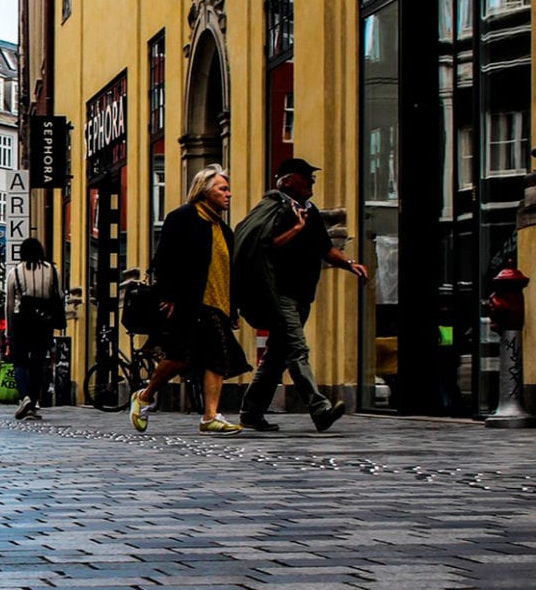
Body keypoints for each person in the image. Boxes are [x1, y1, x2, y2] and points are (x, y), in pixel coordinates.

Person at [232, 157, 367, 432]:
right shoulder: (274, 209)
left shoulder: (309, 210)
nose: (311, 182)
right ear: (288, 181)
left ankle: (251, 412)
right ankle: (319, 409)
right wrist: (295, 230)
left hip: (302, 294)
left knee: (277, 355)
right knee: (297, 349)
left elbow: (324, 248)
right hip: (279, 293)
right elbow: (263, 245)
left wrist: (349, 265)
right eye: (305, 177)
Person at [131, 165, 249, 434]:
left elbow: (229, 272)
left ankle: (210, 416)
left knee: (215, 357)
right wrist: (169, 295)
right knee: (180, 357)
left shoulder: (223, 229)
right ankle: (145, 395)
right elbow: (164, 259)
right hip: (189, 301)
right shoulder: (183, 217)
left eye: (228, 189)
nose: (228, 194)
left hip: (216, 303)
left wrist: (232, 309)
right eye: (223, 189)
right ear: (205, 192)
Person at [6, 240, 63, 420]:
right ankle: (33, 402)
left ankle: (25, 397)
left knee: (19, 361)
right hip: (43, 322)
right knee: (38, 362)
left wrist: (9, 330)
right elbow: (59, 295)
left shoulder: (15, 272)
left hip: (21, 320)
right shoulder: (52, 270)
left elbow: (9, 303)